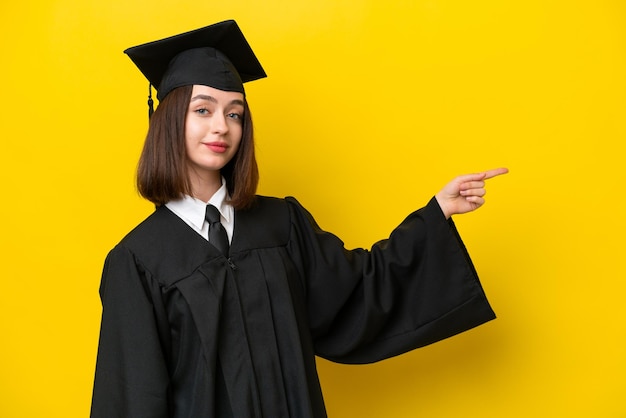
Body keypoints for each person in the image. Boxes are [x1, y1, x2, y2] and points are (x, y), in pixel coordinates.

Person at [90, 20, 508, 418]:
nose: (221, 127)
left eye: (235, 113)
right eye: (203, 109)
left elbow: (359, 291)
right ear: (168, 119)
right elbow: (131, 399)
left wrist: (437, 211)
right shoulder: (138, 261)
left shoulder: (281, 224)